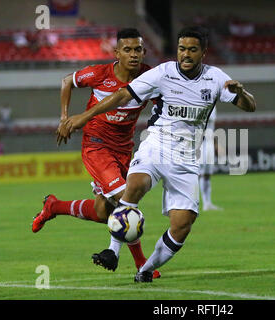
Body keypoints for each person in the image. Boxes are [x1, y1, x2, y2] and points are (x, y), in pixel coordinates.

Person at [57, 26, 256, 282]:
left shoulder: (216, 78)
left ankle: (145, 269)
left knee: (182, 225)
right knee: (134, 186)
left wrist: (241, 92)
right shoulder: (162, 73)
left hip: (186, 159)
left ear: (203, 53)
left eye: (192, 50)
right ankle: (113, 251)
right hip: (156, 145)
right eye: (182, 49)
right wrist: (83, 117)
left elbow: (250, 106)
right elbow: (122, 95)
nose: (185, 54)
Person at [31, 28, 160, 279]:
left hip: (124, 150)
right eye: (127, 50)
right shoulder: (100, 74)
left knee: (104, 212)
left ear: (144, 52)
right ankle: (142, 265)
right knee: (127, 197)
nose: (133, 55)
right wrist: (65, 118)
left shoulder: (149, 76)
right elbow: (67, 80)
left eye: (138, 50)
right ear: (116, 53)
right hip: (96, 145)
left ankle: (54, 206)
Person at [199, 107, 222, 211]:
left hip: (208, 143)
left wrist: (216, 144)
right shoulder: (199, 102)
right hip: (199, 142)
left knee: (207, 174)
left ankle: (207, 203)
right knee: (199, 173)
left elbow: (210, 128)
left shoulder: (213, 105)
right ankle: (198, 202)